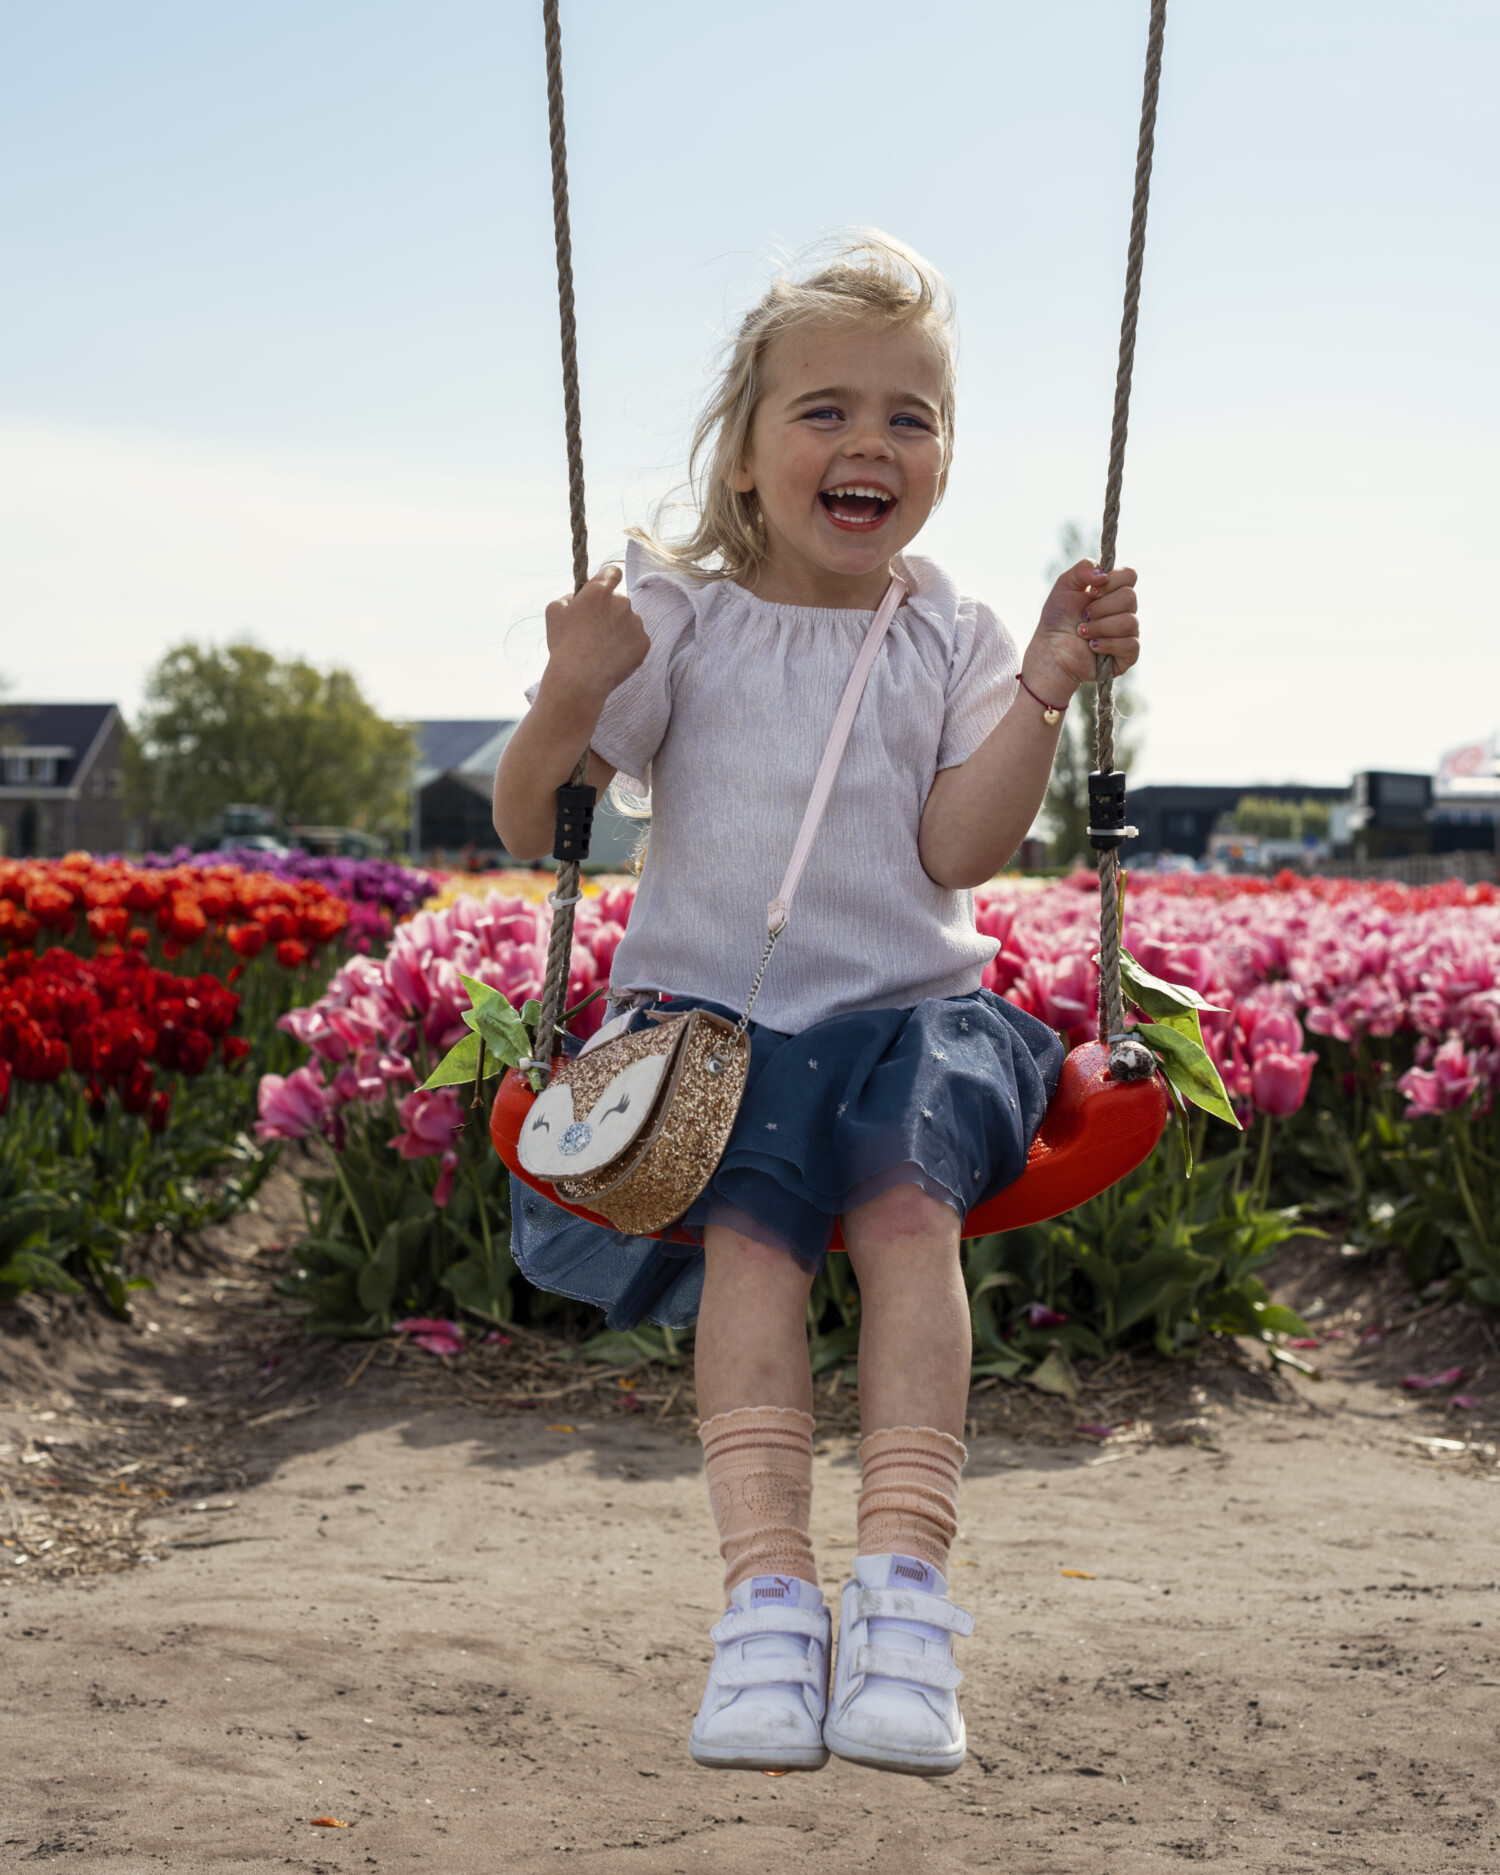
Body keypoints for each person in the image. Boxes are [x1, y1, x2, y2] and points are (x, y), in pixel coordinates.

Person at [493, 234, 1141, 1777]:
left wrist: (1049, 680)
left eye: (910, 419)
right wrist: (571, 690)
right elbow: (536, 822)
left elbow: (957, 850)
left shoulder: (952, 633)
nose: (870, 444)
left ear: (944, 459)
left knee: (911, 1210)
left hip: (920, 1021)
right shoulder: (677, 622)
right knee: (755, 1241)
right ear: (745, 456)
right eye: (827, 411)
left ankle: (905, 1595)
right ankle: (767, 1605)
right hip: (715, 1041)